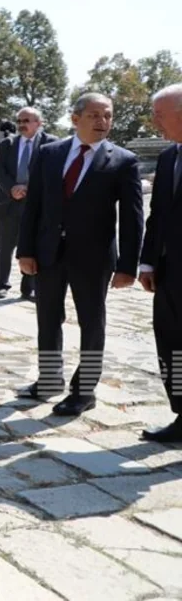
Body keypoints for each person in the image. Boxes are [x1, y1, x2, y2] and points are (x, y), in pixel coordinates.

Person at [16, 93, 143, 416]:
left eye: (108, 116)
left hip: (94, 258)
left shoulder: (122, 161)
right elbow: (34, 206)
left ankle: (84, 391)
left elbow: (132, 217)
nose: (102, 122)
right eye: (94, 116)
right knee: (47, 318)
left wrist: (129, 265)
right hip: (48, 253)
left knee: (92, 322)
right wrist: (26, 250)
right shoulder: (49, 154)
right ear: (75, 119)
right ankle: (49, 379)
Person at [138, 84, 182, 443]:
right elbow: (158, 215)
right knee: (172, 346)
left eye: (159, 114)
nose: (154, 122)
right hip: (169, 275)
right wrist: (148, 262)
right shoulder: (168, 158)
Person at [0, 107, 56, 300]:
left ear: (39, 123)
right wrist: (11, 188)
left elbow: (53, 172)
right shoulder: (7, 144)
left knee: (32, 245)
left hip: (36, 204)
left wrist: (30, 188)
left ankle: (29, 287)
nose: (22, 125)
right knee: (4, 245)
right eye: (19, 121)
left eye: (27, 121)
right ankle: (1, 284)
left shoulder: (51, 144)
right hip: (9, 203)